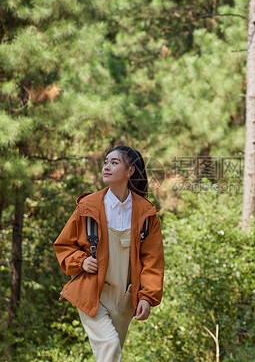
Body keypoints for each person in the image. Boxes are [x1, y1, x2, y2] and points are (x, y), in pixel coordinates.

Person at [53, 146, 164, 362]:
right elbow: (64, 245)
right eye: (106, 162)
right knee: (111, 347)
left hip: (125, 298)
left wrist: (147, 297)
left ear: (130, 171)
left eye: (114, 163)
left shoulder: (146, 213)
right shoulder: (88, 206)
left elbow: (153, 261)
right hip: (93, 293)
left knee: (110, 356)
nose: (107, 166)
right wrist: (81, 261)